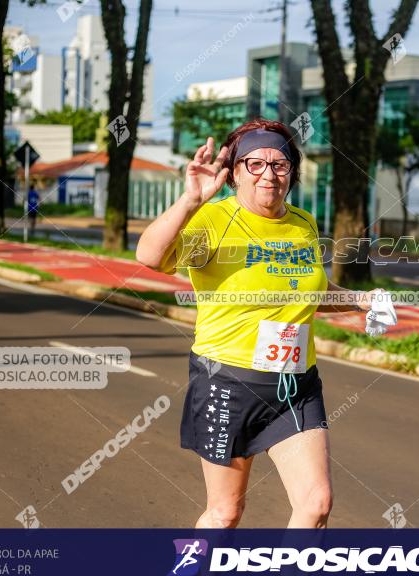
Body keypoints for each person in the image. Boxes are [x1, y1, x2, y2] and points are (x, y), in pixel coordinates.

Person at [136, 118, 382, 529]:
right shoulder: (215, 221)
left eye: (280, 164)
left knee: (316, 502)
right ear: (233, 173)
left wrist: (360, 300)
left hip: (295, 384)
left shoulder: (302, 224)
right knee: (225, 512)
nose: (268, 174)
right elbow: (150, 257)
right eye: (254, 164)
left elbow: (309, 292)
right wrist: (190, 201)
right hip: (228, 380)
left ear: (292, 173)